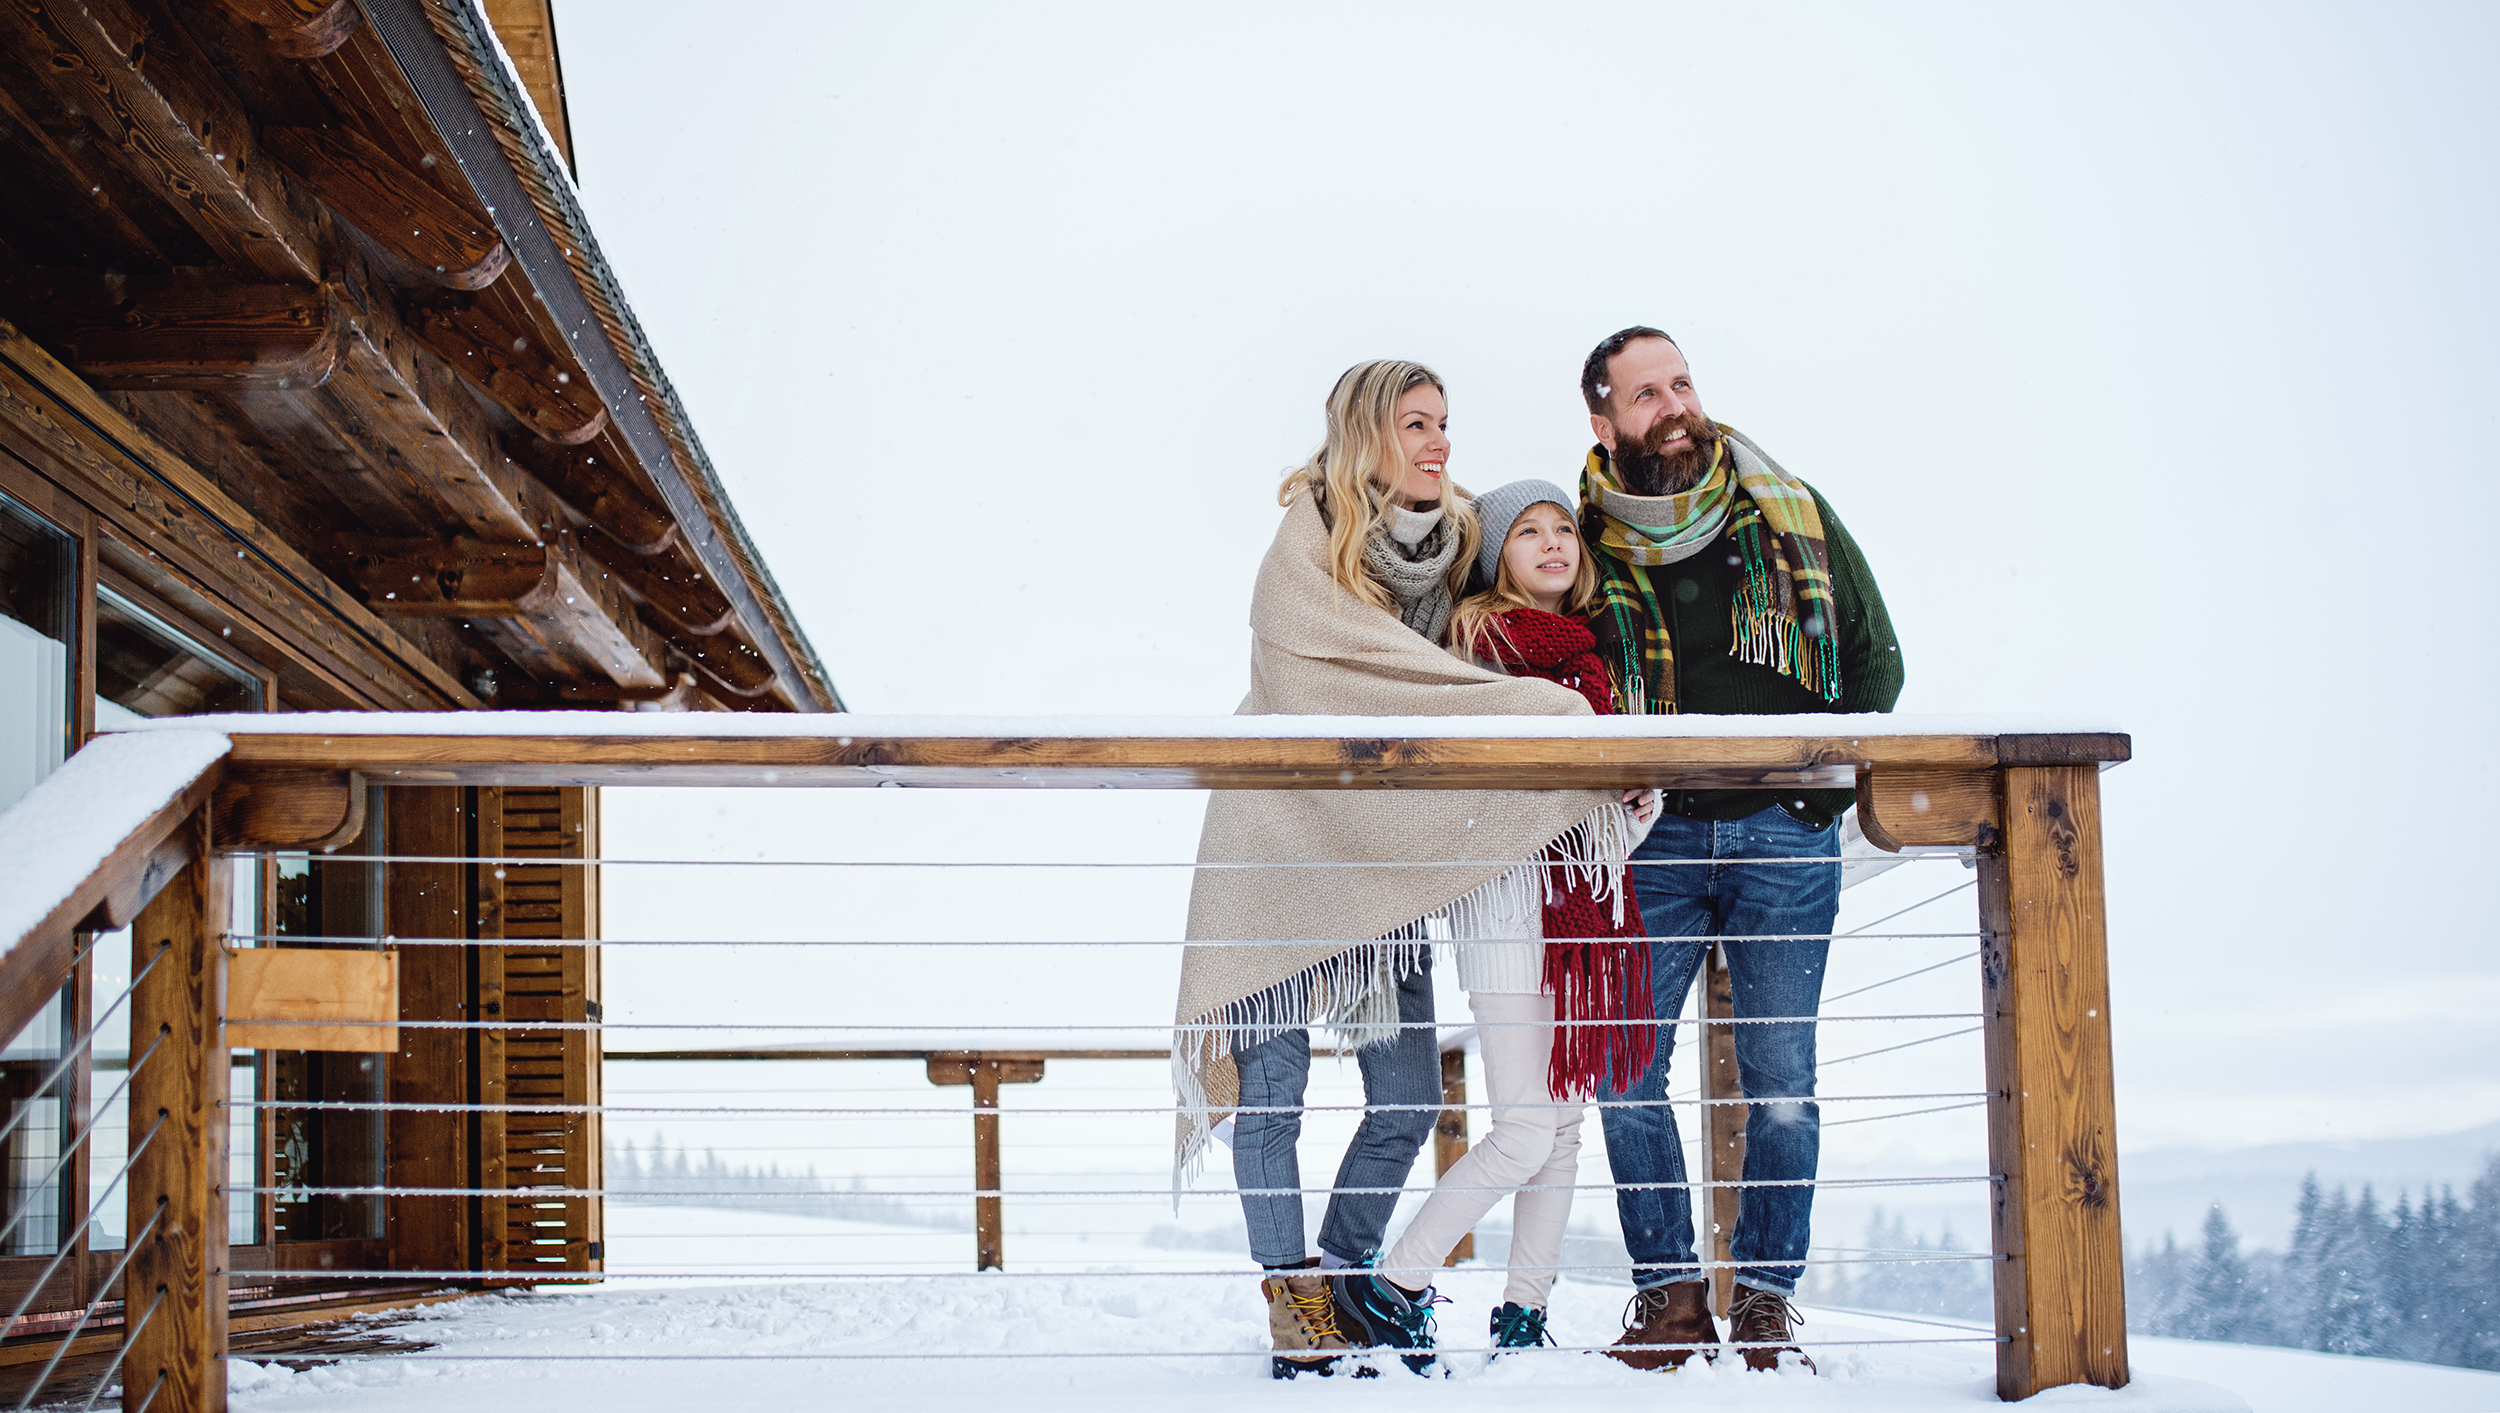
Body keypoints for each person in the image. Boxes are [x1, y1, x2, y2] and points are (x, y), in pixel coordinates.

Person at [1174, 361, 1642, 1379]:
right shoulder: (1300, 557)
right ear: (1362, 436)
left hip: (1386, 859)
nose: (1438, 443)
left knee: (1404, 1098)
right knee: (1275, 1091)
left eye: (1443, 424)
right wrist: (1558, 720)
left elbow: (1512, 616)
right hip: (1278, 846)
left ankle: (1352, 1285)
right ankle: (1294, 1301)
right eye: (1415, 425)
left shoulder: (1460, 547)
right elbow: (1362, 694)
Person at [1575, 328, 1905, 1373]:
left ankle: (1764, 1301)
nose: (1671, 405)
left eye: (1680, 382)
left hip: (1782, 835)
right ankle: (1667, 1297)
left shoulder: (1790, 511)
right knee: (1626, 1075)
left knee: (1782, 1082)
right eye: (1643, 394)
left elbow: (1875, 662)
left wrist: (1810, 794)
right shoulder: (1579, 534)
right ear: (1603, 421)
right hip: (1649, 834)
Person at [1369, 479, 1659, 1357]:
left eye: (1563, 529)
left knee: (1564, 1127)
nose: (1551, 543)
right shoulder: (1479, 645)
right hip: (1504, 900)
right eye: (1527, 531)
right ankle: (1394, 1284)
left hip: (1580, 903)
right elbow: (1495, 788)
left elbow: (1600, 809)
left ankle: (1524, 1312)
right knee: (1528, 1126)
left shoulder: (1588, 658)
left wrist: (1638, 804)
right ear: (1497, 555)